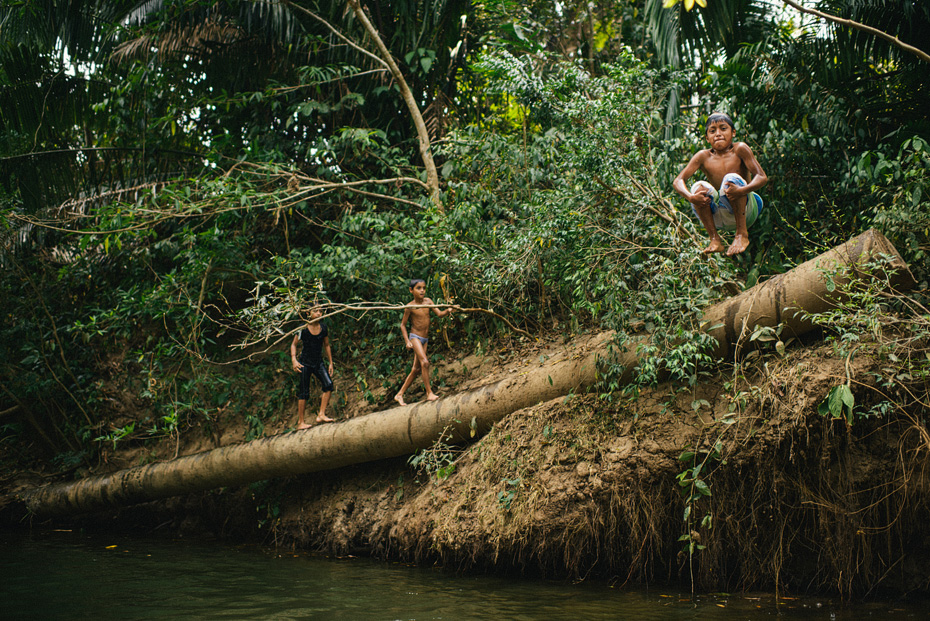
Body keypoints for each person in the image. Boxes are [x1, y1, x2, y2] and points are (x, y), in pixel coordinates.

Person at [673, 112, 769, 256]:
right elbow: (678, 181)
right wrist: (691, 197)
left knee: (729, 179)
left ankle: (742, 234)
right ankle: (714, 239)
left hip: (746, 210)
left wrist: (741, 191)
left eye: (723, 129)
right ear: (707, 138)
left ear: (733, 132)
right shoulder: (703, 156)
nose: (718, 134)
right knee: (698, 187)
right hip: (721, 216)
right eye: (712, 131)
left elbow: (762, 177)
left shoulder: (740, 149)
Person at [393, 279, 455, 406]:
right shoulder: (410, 306)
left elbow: (439, 314)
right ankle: (429, 393)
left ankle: (399, 394)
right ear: (411, 290)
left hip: (425, 339)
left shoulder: (428, 302)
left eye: (423, 288)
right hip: (415, 337)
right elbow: (403, 325)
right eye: (418, 288)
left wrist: (448, 311)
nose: (422, 290)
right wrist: (407, 341)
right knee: (425, 363)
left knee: (416, 369)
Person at [290, 305, 335, 429]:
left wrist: (330, 362)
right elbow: (293, 345)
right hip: (304, 363)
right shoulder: (302, 328)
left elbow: (326, 345)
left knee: (328, 385)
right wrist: (294, 359)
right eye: (315, 311)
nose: (319, 313)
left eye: (320, 311)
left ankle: (321, 414)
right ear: (308, 313)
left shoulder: (323, 328)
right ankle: (300, 422)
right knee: (304, 393)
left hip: (318, 362)